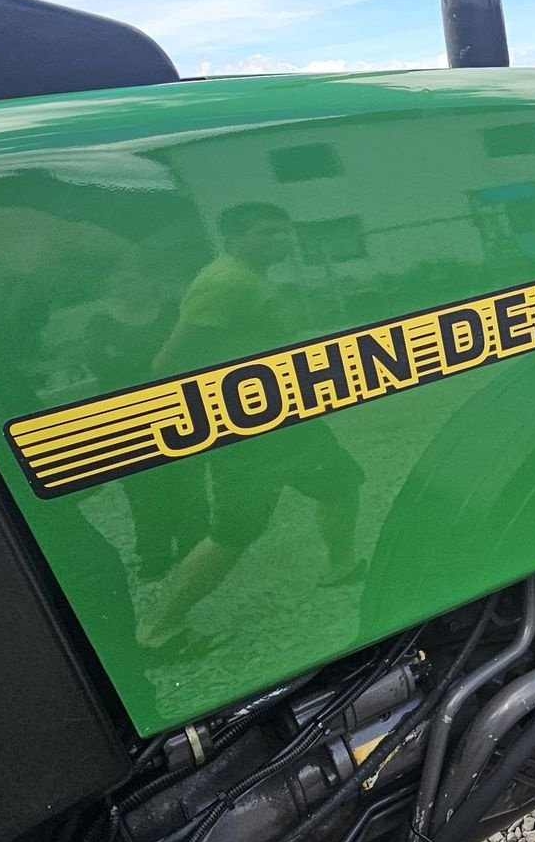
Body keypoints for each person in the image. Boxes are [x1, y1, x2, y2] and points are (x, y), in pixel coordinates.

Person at [138, 202, 365, 654]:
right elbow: (168, 361)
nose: (281, 240)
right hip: (250, 428)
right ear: (235, 238)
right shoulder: (224, 282)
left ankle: (339, 564)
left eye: (284, 231)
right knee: (235, 530)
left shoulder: (245, 275)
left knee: (341, 483)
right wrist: (218, 411)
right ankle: (158, 629)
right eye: (266, 233)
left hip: (284, 417)